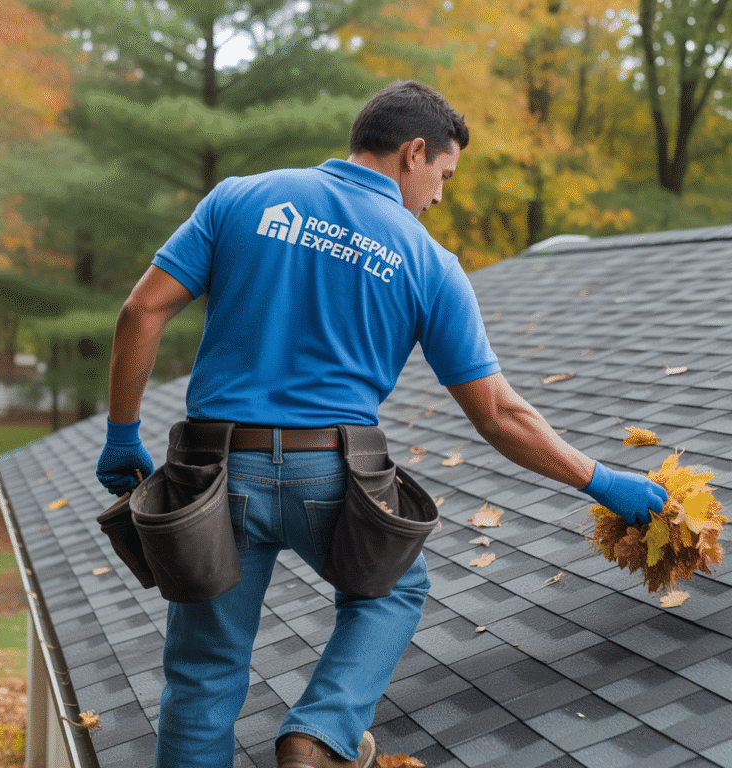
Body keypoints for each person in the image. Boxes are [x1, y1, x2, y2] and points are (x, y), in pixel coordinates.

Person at [96, 80, 667, 768]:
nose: (439, 197)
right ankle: (322, 731)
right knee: (396, 587)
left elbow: (141, 312)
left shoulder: (241, 198)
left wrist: (123, 433)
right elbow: (498, 414)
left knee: (201, 676)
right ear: (414, 152)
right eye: (444, 176)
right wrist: (602, 482)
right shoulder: (429, 261)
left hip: (213, 475)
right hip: (331, 474)